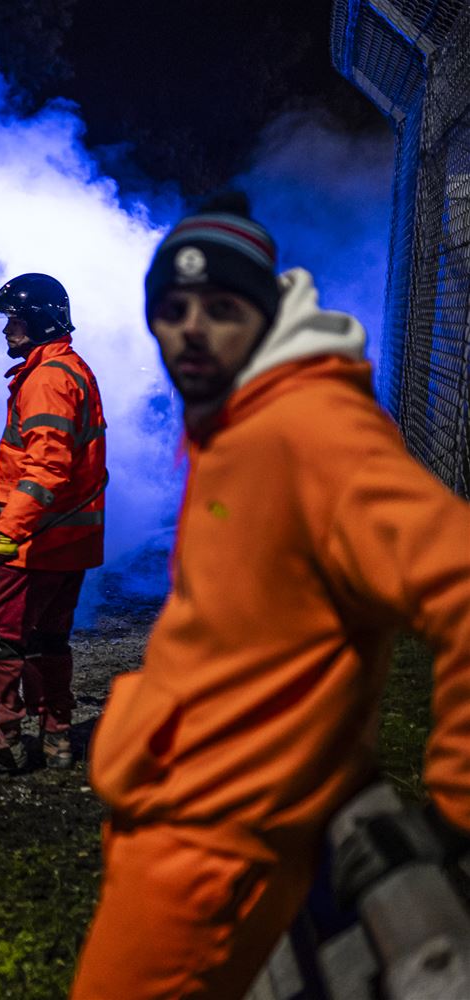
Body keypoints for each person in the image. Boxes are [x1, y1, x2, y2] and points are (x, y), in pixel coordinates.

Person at [70, 194, 470, 998]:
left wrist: (454, 813)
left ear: (265, 314)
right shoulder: (235, 418)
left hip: (218, 844)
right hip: (178, 815)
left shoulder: (311, 430)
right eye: (172, 310)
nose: (190, 330)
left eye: (221, 308)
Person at [0, 272, 106, 775]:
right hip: (70, 539)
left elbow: (46, 469)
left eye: (13, 319)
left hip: (36, 541)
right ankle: (57, 739)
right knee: (46, 638)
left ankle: (3, 745)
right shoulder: (70, 369)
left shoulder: (47, 379)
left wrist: (9, 530)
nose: (5, 329)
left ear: (37, 321)